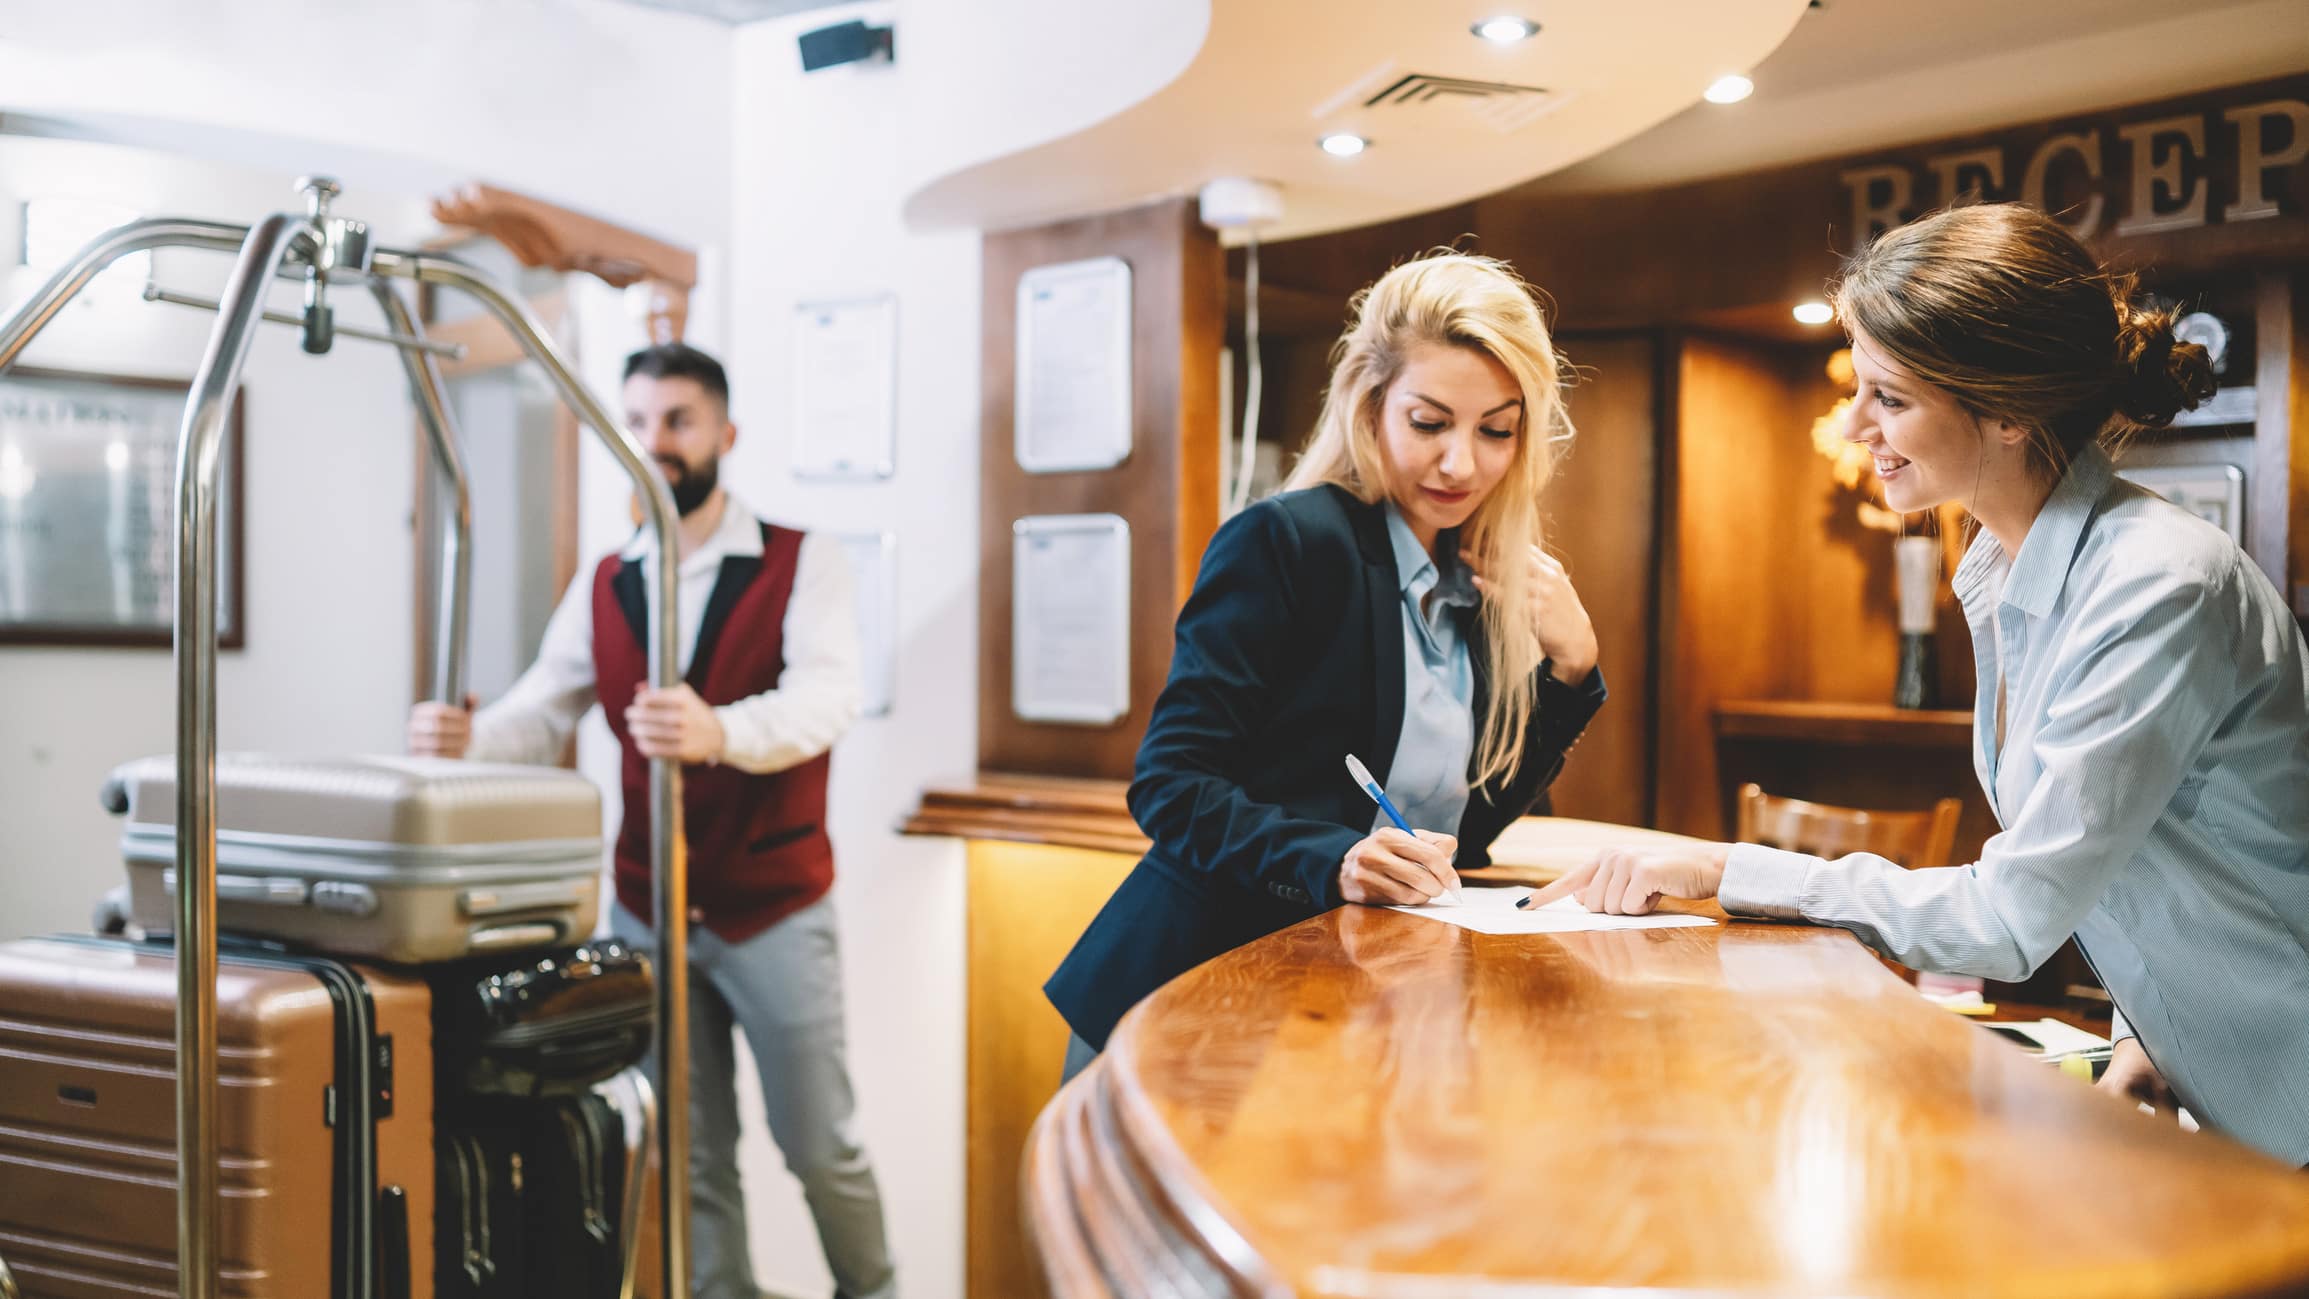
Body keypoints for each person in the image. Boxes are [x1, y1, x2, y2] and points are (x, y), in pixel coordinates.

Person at [1533, 203, 2309, 1168]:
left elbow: (2009, 915)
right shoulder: (2007, 565)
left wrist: (1725, 867)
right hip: (2241, 1104)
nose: (1855, 425)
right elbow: (2151, 857)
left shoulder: (2157, 582)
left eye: (1888, 399)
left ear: (2008, 410)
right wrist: (2149, 1035)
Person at [408, 343, 898, 1299]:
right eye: (636, 422)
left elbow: (827, 698)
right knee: (688, 1145)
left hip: (775, 911)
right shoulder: (605, 581)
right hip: (648, 911)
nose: (655, 442)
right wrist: (462, 735)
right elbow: (543, 709)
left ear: (725, 433)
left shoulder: (804, 560)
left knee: (818, 1143)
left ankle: (873, 1290)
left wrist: (718, 729)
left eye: (677, 420)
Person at [1044, 251, 1608, 1077]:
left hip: (1335, 1010)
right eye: (1429, 422)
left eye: (1495, 429)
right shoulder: (1287, 542)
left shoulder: (1481, 577)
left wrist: (1572, 666)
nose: (1462, 463)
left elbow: (1464, 832)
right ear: (1370, 404)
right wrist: (1333, 857)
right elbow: (1170, 787)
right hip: (1192, 992)